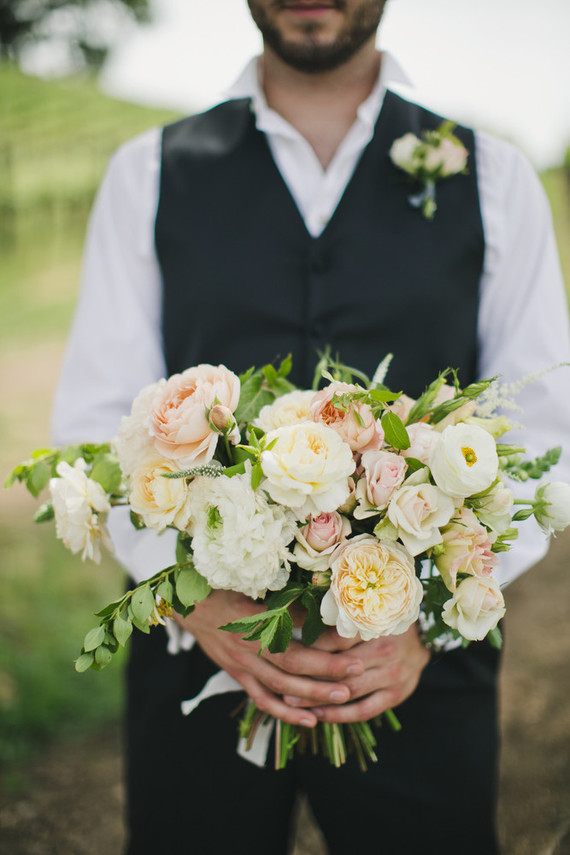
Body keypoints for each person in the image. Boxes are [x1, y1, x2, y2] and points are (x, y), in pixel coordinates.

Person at [51, 1, 570, 853]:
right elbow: (95, 417)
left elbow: (547, 434)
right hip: (196, 669)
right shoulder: (145, 173)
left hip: (418, 679)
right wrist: (196, 604)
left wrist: (431, 623)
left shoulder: (496, 180)